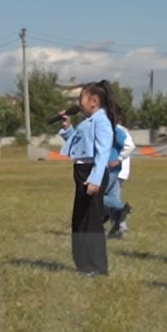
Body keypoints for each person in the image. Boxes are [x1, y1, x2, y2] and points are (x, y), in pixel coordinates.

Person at [56, 81, 121, 276]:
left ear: (93, 101)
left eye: (81, 99)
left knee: (92, 221)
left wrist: (94, 179)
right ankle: (84, 264)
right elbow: (78, 144)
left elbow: (102, 153)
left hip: (92, 172)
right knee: (80, 219)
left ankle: (98, 267)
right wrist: (67, 128)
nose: (79, 103)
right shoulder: (88, 122)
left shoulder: (102, 122)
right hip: (81, 171)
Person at [103, 118, 137, 239]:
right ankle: (118, 228)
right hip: (119, 169)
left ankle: (122, 211)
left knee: (99, 197)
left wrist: (118, 160)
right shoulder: (120, 130)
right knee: (113, 198)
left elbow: (129, 147)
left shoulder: (117, 130)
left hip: (115, 169)